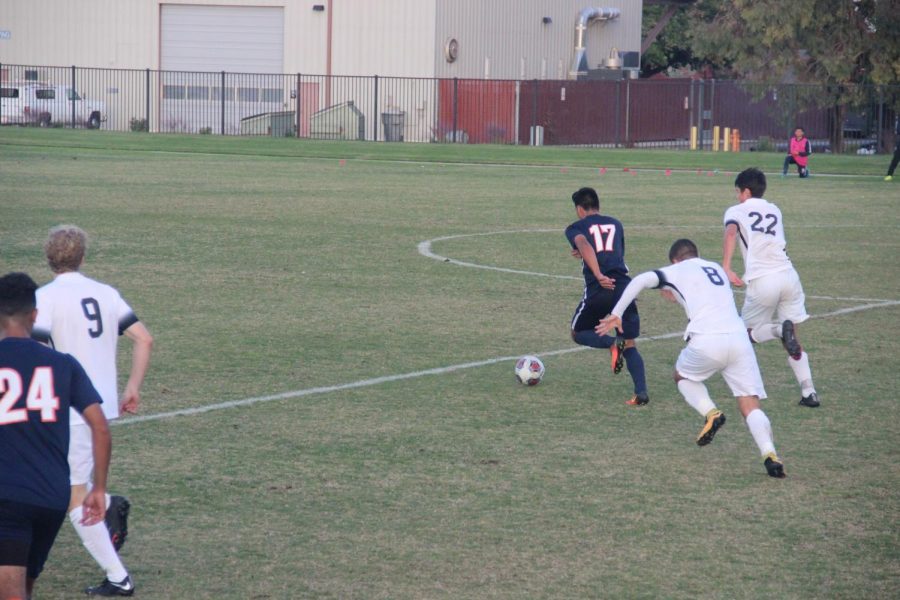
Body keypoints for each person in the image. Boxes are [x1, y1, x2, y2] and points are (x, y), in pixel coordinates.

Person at [598, 240, 786, 478]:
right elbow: (702, 293)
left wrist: (616, 314)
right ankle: (770, 455)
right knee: (750, 405)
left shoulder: (677, 269)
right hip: (739, 340)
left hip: (707, 339)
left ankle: (711, 413)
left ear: (675, 260)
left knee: (682, 376)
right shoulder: (715, 268)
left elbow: (640, 280)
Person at [33, 225, 153, 597]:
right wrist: (131, 387)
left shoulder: (44, 298)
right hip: (98, 407)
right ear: (82, 257)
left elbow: (36, 353)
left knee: (71, 494)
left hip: (67, 411)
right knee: (59, 484)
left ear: (48, 258)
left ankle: (119, 577)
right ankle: (109, 509)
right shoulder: (105, 293)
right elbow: (143, 339)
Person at [0, 272, 111, 600]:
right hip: (51, 496)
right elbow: (100, 427)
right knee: (25, 586)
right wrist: (99, 488)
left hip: (6, 496)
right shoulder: (63, 364)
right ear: (34, 315)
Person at [723, 168, 819, 408]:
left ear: (745, 191)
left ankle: (776, 331)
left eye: (738, 192)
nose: (737, 196)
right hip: (789, 276)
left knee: (742, 335)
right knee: (793, 337)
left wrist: (726, 266)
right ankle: (809, 391)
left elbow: (731, 232)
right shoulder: (774, 208)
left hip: (763, 279)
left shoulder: (736, 211)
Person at [565, 187, 648, 406]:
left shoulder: (577, 227)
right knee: (630, 343)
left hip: (600, 289)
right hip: (624, 288)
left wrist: (598, 273)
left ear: (580, 209)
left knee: (578, 332)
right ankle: (641, 393)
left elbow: (584, 243)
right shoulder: (616, 224)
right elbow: (614, 253)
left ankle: (612, 344)